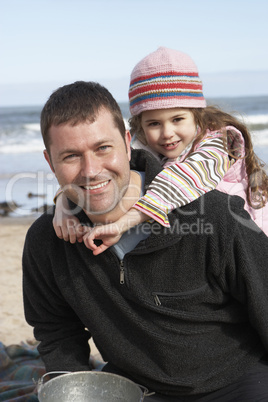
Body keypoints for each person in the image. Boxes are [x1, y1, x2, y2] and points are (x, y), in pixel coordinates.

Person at [23, 80, 268, 401]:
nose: (91, 170)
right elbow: (56, 331)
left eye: (102, 148)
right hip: (138, 386)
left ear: (127, 143)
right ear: (49, 161)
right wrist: (70, 387)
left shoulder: (215, 217)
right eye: (70, 156)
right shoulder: (47, 240)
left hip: (237, 381)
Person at [52, 47, 268, 255]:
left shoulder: (217, 145)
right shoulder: (143, 144)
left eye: (178, 119)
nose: (167, 133)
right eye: (154, 123)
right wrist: (64, 203)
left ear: (196, 115)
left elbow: (183, 180)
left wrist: (123, 224)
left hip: (249, 239)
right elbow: (101, 171)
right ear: (140, 125)